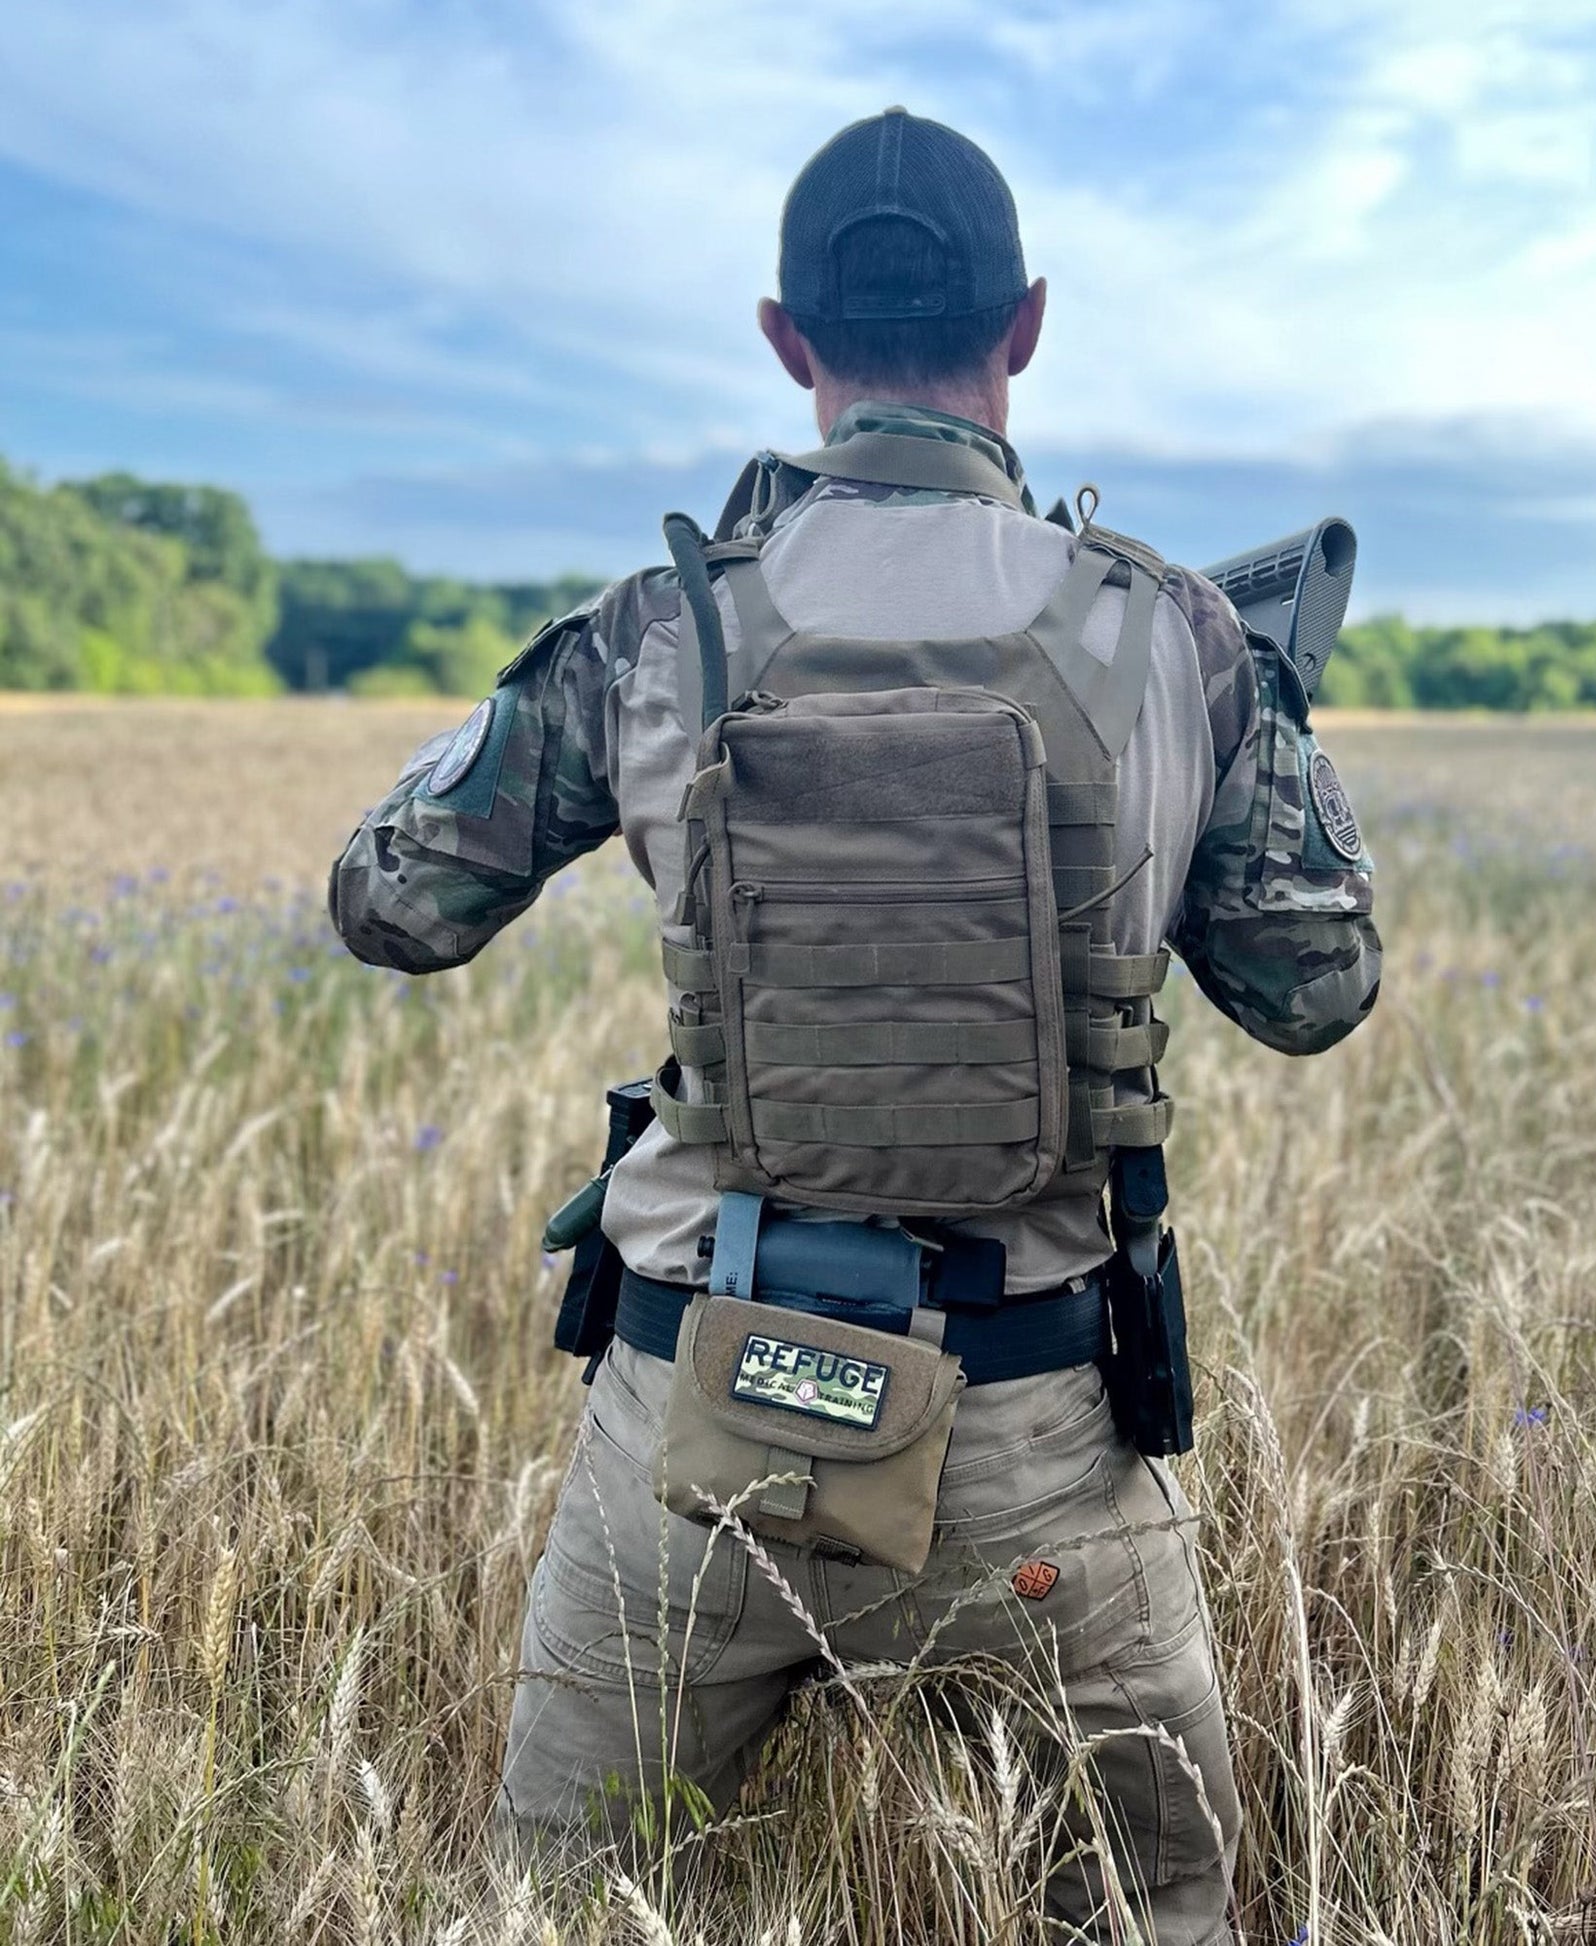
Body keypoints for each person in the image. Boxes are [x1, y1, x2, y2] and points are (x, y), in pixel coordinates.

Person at [330, 107, 1380, 1946]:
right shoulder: (1175, 634)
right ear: (1025, 324)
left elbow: (390, 901)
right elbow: (1316, 988)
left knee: (564, 1913)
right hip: (1036, 1423)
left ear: (785, 338)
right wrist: (1256, 710)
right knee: (1156, 1914)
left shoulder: (652, 629)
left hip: (694, 1420)